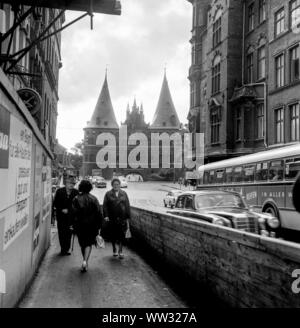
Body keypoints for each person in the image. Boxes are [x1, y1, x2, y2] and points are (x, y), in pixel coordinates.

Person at [72, 180, 103, 272]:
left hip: (80, 225)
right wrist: (99, 226)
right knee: (89, 243)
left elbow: (73, 213)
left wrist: (73, 225)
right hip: (92, 226)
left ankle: (85, 261)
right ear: (90, 188)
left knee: (82, 243)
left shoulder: (76, 198)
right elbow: (99, 213)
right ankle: (85, 261)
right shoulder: (94, 198)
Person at [103, 178, 131, 259]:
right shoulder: (108, 194)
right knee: (113, 235)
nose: (116, 186)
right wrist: (106, 216)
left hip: (122, 218)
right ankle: (114, 249)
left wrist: (128, 217)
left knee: (121, 235)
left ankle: (120, 250)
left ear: (120, 185)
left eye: (118, 184)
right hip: (112, 217)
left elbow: (127, 205)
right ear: (112, 185)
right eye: (114, 184)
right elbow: (105, 206)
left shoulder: (124, 193)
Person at [53, 176, 79, 255]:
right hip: (61, 216)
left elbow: (77, 205)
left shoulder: (76, 192)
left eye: (73, 183)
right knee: (61, 233)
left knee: (69, 233)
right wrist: (61, 209)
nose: (71, 185)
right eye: (70, 183)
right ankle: (62, 248)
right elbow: (55, 203)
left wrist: (70, 210)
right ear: (66, 183)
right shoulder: (59, 191)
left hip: (71, 217)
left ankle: (67, 249)